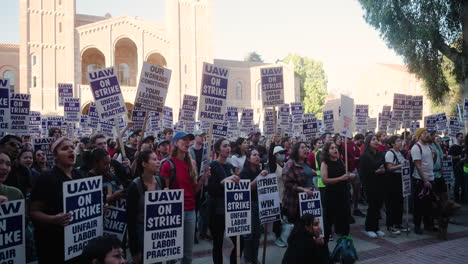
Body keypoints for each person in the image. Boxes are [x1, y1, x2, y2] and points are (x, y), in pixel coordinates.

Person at [30, 137, 85, 263]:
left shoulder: (81, 175)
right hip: (53, 244)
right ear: (55, 155)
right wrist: (53, 219)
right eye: (65, 148)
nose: (71, 151)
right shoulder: (46, 178)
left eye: (72, 147)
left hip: (76, 244)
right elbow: (33, 212)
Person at [160, 131, 210, 264]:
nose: (187, 142)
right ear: (175, 143)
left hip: (190, 210)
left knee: (187, 254)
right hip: (173, 212)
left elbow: (194, 190)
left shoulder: (191, 164)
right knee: (172, 254)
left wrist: (203, 179)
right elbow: (163, 192)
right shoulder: (167, 164)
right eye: (184, 139)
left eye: (189, 140)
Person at [207, 138, 243, 264]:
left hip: (231, 209)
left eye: (229, 146)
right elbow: (210, 190)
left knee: (240, 241)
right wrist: (223, 182)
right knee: (218, 244)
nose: (228, 148)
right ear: (217, 149)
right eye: (225, 146)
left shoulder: (230, 166)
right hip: (217, 211)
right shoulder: (212, 165)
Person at [127, 150, 164, 264]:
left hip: (159, 233)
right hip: (141, 234)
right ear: (144, 164)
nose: (158, 162)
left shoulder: (160, 181)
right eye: (154, 159)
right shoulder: (135, 186)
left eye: (157, 159)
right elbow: (130, 220)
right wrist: (134, 251)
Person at [321, 142, 355, 241]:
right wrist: (341, 178)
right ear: (327, 151)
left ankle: (344, 241)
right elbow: (325, 180)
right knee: (329, 219)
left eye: (335, 148)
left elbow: (345, 174)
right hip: (331, 195)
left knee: (344, 217)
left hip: (343, 193)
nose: (335, 149)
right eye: (332, 148)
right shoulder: (325, 163)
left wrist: (350, 175)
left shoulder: (340, 161)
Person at [240, 149, 268, 264]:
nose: (257, 157)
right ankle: (247, 259)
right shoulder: (244, 173)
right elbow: (246, 189)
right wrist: (259, 178)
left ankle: (254, 258)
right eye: (254, 155)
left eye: (258, 155)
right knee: (249, 235)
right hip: (250, 205)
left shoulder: (261, 171)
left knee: (257, 234)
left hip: (260, 205)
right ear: (248, 158)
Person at [359, 135, 386, 238]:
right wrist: (375, 172)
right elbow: (364, 173)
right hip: (370, 184)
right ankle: (369, 228)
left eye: (376, 139)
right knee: (372, 206)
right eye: (373, 139)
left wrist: (382, 170)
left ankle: (376, 228)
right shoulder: (365, 155)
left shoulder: (379, 153)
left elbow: (382, 163)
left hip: (380, 183)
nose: (376, 141)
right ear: (368, 142)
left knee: (378, 206)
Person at [282, 142, 316, 224]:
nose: (305, 149)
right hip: (295, 202)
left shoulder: (307, 163)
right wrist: (303, 190)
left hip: (309, 200)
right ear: (296, 150)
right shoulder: (290, 164)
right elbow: (287, 184)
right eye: (302, 147)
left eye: (305, 147)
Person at [411, 128, 435, 235]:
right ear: (419, 135)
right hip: (420, 180)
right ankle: (417, 226)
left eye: (427, 133)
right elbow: (418, 165)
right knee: (419, 205)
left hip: (430, 178)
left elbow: (431, 163)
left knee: (428, 205)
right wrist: (425, 180)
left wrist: (435, 155)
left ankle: (428, 225)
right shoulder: (416, 147)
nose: (427, 135)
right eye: (424, 133)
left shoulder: (429, 147)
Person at [384, 135, 406, 235]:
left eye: (400, 141)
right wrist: (400, 166)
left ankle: (398, 223)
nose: (400, 143)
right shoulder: (390, 153)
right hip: (392, 180)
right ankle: (390, 225)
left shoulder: (400, 152)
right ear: (392, 144)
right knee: (391, 203)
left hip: (400, 179)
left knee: (399, 202)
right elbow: (389, 168)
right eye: (398, 141)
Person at [269, 146, 289, 247]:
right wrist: (273, 143)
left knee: (285, 218)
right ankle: (277, 238)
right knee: (278, 219)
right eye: (281, 153)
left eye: (284, 152)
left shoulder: (285, 164)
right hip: (277, 196)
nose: (283, 154)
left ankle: (284, 236)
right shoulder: (273, 166)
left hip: (285, 196)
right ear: (276, 155)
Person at [449, 132, 465, 202]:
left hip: (464, 167)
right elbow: (450, 157)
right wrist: (458, 157)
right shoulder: (453, 147)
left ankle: (463, 198)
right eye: (461, 137)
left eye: (462, 137)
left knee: (464, 183)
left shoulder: (465, 146)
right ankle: (457, 198)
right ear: (457, 138)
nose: (462, 138)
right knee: (457, 182)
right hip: (456, 167)